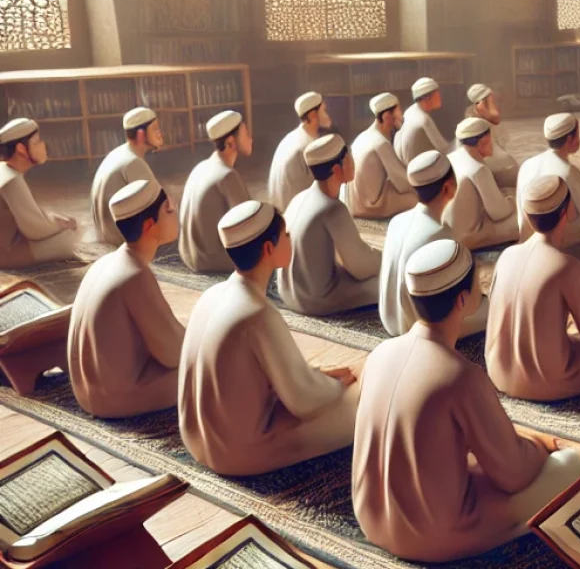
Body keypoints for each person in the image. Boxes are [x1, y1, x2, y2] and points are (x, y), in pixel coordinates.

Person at [352, 238, 580, 563]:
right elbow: (514, 472)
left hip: (370, 519)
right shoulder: (460, 375)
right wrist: (541, 446)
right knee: (571, 467)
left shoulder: (379, 355)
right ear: (463, 299)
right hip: (435, 535)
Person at [180, 200, 360, 476]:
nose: (290, 239)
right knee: (364, 397)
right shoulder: (256, 313)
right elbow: (306, 400)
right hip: (241, 452)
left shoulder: (211, 296)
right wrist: (338, 387)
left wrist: (317, 375)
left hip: (197, 441)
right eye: (286, 234)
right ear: (268, 248)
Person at [487, 176, 580, 401]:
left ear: (528, 216)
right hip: (546, 383)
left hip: (497, 372)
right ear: (569, 209)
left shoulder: (506, 256)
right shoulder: (566, 267)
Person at [68, 179, 185, 418]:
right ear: (150, 226)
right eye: (169, 210)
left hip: (87, 393)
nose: (176, 214)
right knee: (215, 369)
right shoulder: (134, 275)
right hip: (117, 400)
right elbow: (173, 353)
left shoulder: (107, 263)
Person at [379, 151, 489, 338]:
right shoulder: (440, 234)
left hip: (389, 320)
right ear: (448, 187)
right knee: (498, 307)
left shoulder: (397, 221)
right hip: (419, 328)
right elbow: (467, 304)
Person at [278, 134, 381, 315]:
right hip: (316, 299)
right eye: (349, 156)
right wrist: (386, 257)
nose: (353, 161)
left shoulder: (299, 198)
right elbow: (361, 267)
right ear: (337, 169)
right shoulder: (332, 208)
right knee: (387, 283)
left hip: (288, 292)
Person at [178, 111, 252, 273]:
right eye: (246, 133)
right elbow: (249, 223)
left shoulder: (201, 167)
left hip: (189, 255)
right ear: (231, 142)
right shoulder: (227, 175)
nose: (250, 138)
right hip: (212, 261)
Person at [0, 118, 79, 268]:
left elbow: (29, 215)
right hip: (6, 255)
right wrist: (62, 225)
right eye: (37, 142)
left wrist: (55, 219)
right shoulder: (12, 180)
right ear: (21, 149)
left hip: (9, 243)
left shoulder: (4, 169)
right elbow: (35, 229)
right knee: (70, 237)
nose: (43, 146)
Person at [515, 113, 580, 249]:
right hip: (554, 243)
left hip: (528, 239)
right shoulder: (567, 171)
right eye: (578, 134)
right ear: (570, 138)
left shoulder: (527, 164)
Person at [444, 118, 519, 250]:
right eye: (491, 139)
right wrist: (512, 201)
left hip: (452, 230)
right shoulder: (478, 169)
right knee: (527, 220)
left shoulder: (451, 157)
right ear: (482, 142)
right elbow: (499, 213)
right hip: (470, 235)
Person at [91, 107, 161, 246]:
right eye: (155, 129)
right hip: (123, 243)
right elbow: (159, 206)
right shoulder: (133, 162)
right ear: (141, 135)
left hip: (108, 238)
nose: (160, 133)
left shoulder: (118, 154)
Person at [341, 92, 416, 219]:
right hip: (368, 204)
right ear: (387, 116)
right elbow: (401, 181)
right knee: (416, 199)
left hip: (353, 201)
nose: (401, 115)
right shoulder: (380, 143)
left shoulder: (363, 136)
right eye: (398, 111)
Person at [267, 92, 330, 214]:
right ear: (313, 115)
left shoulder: (291, 137)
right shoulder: (307, 147)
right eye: (324, 111)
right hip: (295, 214)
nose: (327, 116)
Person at [463, 83, 519, 188]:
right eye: (492, 102)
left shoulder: (484, 117)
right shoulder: (477, 123)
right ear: (481, 105)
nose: (496, 105)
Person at [394, 77, 451, 166]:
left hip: (408, 165)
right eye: (437, 94)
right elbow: (445, 149)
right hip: (420, 169)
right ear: (427, 98)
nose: (440, 97)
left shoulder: (410, 111)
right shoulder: (424, 120)